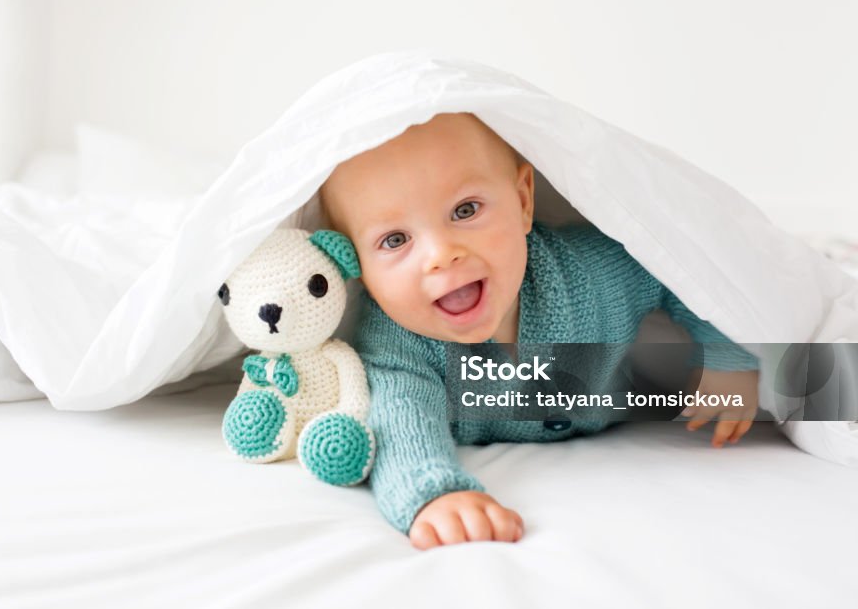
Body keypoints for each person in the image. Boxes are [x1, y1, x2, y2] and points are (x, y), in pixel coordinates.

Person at [318, 112, 759, 550]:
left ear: (523, 202)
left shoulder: (593, 274)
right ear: (358, 266)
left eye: (465, 210)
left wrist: (724, 358)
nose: (441, 254)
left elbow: (678, 266)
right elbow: (401, 419)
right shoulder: (397, 340)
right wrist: (435, 493)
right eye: (395, 240)